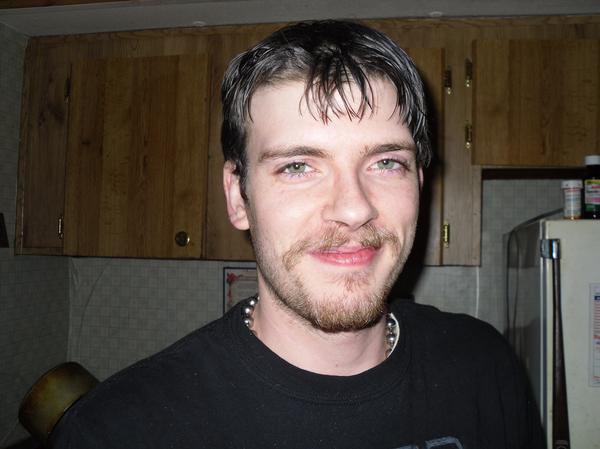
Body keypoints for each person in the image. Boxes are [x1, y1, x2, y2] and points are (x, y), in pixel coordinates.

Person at [50, 20, 542, 449]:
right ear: (238, 196)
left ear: (418, 182)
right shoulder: (117, 430)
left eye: (386, 162)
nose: (354, 209)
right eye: (298, 166)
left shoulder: (485, 366)